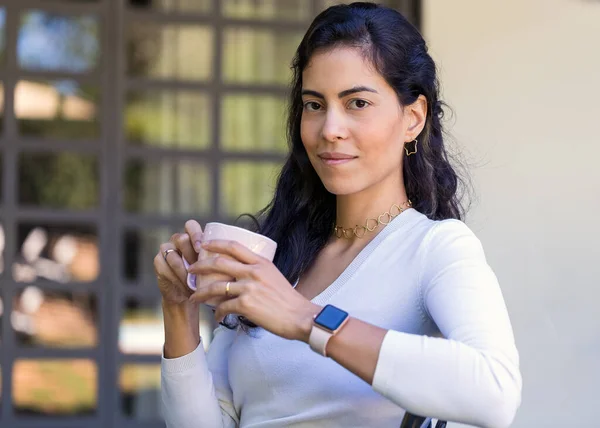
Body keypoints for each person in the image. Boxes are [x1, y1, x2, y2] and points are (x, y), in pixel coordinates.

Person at [154, 2, 522, 427]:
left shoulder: (434, 248)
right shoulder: (280, 256)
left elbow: (495, 391)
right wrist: (179, 311)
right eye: (314, 105)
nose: (330, 128)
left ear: (413, 118)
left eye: (357, 103)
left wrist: (305, 318)